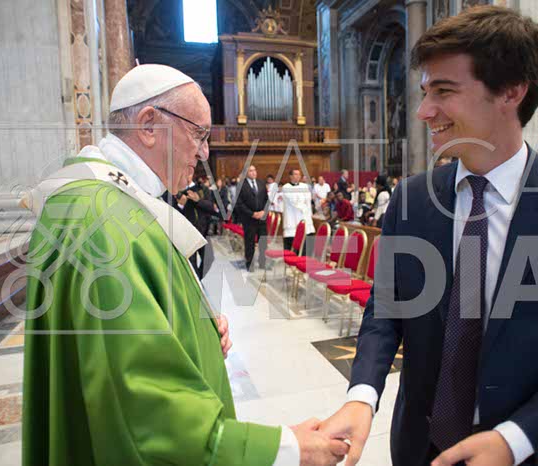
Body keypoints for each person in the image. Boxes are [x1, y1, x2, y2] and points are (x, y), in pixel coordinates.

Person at [319, 7, 538, 466]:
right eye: (424, 91)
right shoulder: (413, 199)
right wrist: (362, 394)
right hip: (421, 446)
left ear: (511, 91)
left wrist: (514, 439)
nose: (424, 111)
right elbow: (387, 311)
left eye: (444, 91)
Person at [21, 64, 348, 466]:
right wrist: (288, 449)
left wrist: (197, 328)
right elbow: (148, 416)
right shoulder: (102, 222)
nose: (205, 152)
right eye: (199, 134)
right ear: (148, 125)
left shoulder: (115, 201)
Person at [235, 164, 269, 272]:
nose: (253, 172)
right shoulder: (241, 185)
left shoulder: (261, 183)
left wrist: (263, 211)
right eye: (250, 171)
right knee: (249, 242)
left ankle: (262, 262)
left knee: (263, 241)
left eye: (254, 170)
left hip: (261, 218)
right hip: (249, 219)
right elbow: (240, 204)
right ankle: (249, 263)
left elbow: (266, 200)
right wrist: (252, 214)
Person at [281, 168, 315, 251]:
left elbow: (308, 200)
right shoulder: (286, 187)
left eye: (299, 174)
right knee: (292, 244)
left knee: (306, 243)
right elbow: (294, 202)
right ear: (290, 176)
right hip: (292, 218)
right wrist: (303, 203)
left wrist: (309, 213)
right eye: (295, 174)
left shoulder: (304, 186)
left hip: (305, 216)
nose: (298, 176)